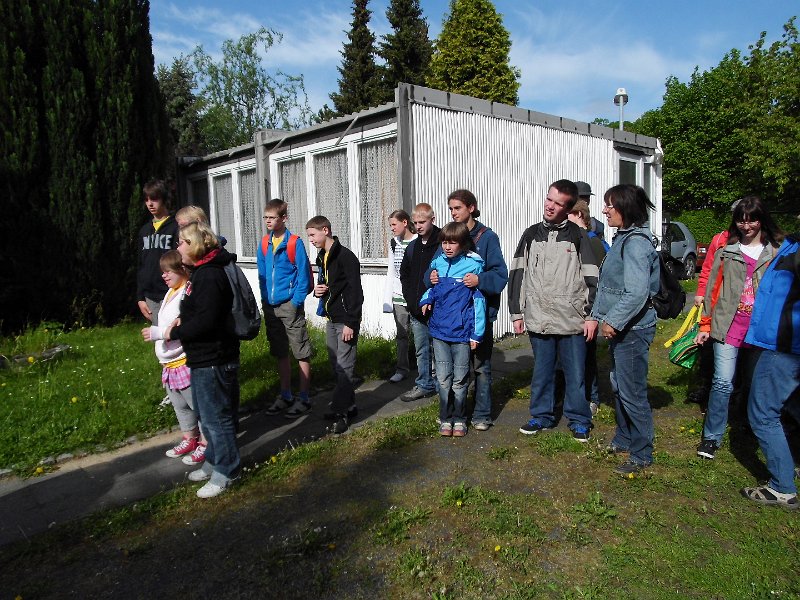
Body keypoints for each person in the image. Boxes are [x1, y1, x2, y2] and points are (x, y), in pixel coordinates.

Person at [509, 180, 599, 442]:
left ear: (568, 208)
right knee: (542, 373)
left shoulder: (578, 235)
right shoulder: (531, 234)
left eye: (558, 203)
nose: (550, 206)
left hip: (572, 319)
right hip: (539, 317)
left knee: (576, 374)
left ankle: (579, 419)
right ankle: (541, 416)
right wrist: (516, 312)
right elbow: (517, 273)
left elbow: (593, 277)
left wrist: (591, 316)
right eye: (549, 199)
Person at [694, 196, 781, 459]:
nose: (746, 226)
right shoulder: (727, 250)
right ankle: (712, 437)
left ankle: (750, 427)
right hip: (728, 324)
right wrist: (705, 324)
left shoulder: (776, 252)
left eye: (752, 220)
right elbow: (712, 289)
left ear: (761, 220)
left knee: (754, 385)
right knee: (722, 382)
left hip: (760, 330)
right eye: (741, 221)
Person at [165, 222, 241, 499]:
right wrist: (182, 320)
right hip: (201, 358)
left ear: (195, 245)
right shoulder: (200, 272)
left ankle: (227, 471)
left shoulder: (210, 275)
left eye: (182, 242)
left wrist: (175, 332)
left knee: (216, 418)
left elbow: (207, 322)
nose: (177, 247)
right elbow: (197, 312)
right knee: (206, 419)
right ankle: (213, 462)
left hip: (214, 357)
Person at [589, 184, 660, 475]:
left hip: (633, 330)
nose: (604, 210)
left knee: (632, 392)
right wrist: (596, 316)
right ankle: (624, 437)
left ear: (625, 208)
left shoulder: (636, 244)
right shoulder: (623, 238)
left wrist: (613, 321)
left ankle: (641, 453)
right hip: (624, 329)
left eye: (610, 205)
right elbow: (609, 287)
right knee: (619, 386)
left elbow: (636, 293)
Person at [428, 189, 508, 431]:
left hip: (478, 316)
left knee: (480, 367)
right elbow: (435, 267)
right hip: (450, 320)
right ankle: (452, 414)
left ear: (471, 208)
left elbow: (500, 275)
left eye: (457, 208)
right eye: (450, 209)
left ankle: (481, 414)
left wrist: (479, 280)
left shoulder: (487, 238)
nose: (453, 213)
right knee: (451, 371)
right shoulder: (449, 235)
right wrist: (429, 277)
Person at [741, 232, 800, 509]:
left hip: (786, 346)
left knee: (763, 412)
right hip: (779, 341)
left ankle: (782, 488)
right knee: (793, 407)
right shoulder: (791, 245)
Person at [420, 222, 486, 437]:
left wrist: (476, 334)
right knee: (442, 378)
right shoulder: (438, 263)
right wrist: (425, 300)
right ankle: (445, 418)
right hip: (439, 332)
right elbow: (433, 290)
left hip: (461, 335)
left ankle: (460, 418)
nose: (447, 247)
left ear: (463, 244)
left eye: (453, 243)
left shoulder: (473, 266)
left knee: (460, 379)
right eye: (445, 243)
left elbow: (478, 303)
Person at [141, 250, 207, 465]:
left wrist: (159, 333)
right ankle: (190, 437)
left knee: (197, 404)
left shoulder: (186, 293)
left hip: (183, 361)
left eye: (168, 271)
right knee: (180, 404)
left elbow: (183, 325)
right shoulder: (171, 291)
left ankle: (206, 441)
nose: (164, 276)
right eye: (163, 272)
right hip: (169, 364)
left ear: (182, 270)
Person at [307, 215, 364, 434]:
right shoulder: (322, 256)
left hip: (346, 320)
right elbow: (328, 284)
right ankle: (350, 406)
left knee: (344, 367)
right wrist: (318, 290)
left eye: (313, 234)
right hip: (331, 318)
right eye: (309, 236)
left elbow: (356, 292)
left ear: (325, 230)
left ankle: (341, 414)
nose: (311, 239)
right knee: (336, 365)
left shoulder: (345, 256)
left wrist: (351, 322)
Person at [257, 199, 314, 418]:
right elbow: (262, 275)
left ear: (283, 218)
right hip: (271, 307)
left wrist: (296, 301)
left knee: (301, 351)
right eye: (266, 217)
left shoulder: (294, 243)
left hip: (290, 305)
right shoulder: (264, 243)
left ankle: (304, 397)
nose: (268, 221)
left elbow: (303, 275)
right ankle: (286, 394)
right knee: (280, 352)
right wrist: (265, 299)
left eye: (272, 217)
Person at [568, 199, 608, 416]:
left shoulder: (592, 242)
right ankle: (574, 396)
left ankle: (592, 398)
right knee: (572, 357)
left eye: (568, 214)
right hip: (569, 309)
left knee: (587, 356)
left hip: (586, 308)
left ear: (579, 215)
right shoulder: (572, 240)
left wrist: (592, 311)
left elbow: (599, 279)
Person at [399, 203, 442, 401]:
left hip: (437, 309)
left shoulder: (443, 243)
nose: (418, 226)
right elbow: (405, 274)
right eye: (415, 223)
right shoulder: (413, 246)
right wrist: (410, 299)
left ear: (432, 219)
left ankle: (442, 386)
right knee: (421, 349)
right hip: (416, 308)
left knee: (440, 351)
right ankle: (424, 384)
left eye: (422, 222)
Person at [137, 179, 179, 325]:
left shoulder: (175, 227)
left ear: (164, 199)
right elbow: (141, 264)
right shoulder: (144, 231)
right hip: (150, 296)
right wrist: (140, 297)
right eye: (146, 199)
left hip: (171, 292)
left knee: (173, 333)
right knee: (158, 335)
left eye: (154, 199)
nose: (150, 204)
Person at [383, 210, 417, 383]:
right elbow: (391, 270)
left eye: (394, 224)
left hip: (415, 296)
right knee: (402, 335)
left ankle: (429, 371)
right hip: (398, 296)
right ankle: (402, 369)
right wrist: (387, 300)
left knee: (422, 336)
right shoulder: (394, 242)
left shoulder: (418, 240)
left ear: (405, 222)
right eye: (390, 225)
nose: (392, 228)